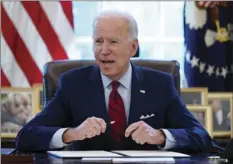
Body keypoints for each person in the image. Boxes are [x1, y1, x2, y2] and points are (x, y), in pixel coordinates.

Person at [15, 10, 221, 153]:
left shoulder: (160, 84)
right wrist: (71, 133)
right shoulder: (72, 83)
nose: (104, 50)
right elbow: (26, 136)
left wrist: (159, 136)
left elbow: (201, 137)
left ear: (133, 48)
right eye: (98, 41)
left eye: (113, 42)